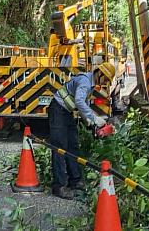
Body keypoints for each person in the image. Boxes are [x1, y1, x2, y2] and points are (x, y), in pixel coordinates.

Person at [48, 61, 114, 200]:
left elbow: (81, 105)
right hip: (58, 110)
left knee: (73, 145)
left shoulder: (89, 84)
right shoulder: (85, 81)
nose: (104, 83)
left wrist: (90, 123)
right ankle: (58, 186)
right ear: (100, 74)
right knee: (59, 147)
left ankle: (75, 180)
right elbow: (79, 101)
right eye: (106, 80)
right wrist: (94, 118)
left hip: (66, 112)